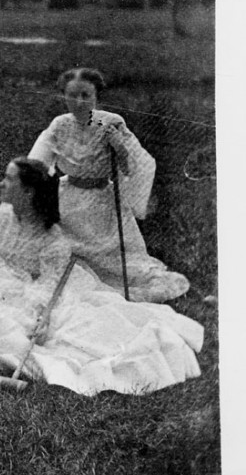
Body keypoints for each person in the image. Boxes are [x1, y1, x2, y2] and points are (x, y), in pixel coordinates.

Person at [0, 158, 203, 396]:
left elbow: (47, 290)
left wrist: (38, 316)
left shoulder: (53, 242)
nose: (1, 183)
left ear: (28, 191)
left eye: (9, 179)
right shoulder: (4, 215)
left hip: (31, 290)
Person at [28, 67, 190, 304]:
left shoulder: (110, 122)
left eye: (86, 96)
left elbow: (134, 167)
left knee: (117, 261)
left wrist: (120, 148)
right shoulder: (60, 124)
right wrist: (36, 186)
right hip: (68, 196)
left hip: (101, 199)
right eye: (72, 95)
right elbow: (37, 163)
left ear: (96, 97)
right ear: (63, 96)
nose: (79, 102)